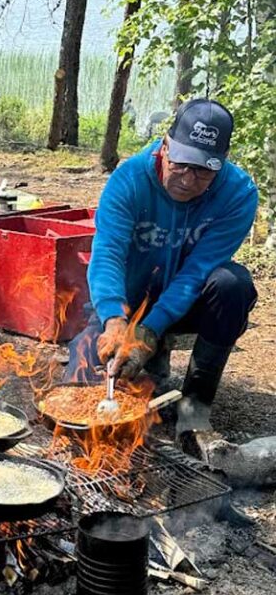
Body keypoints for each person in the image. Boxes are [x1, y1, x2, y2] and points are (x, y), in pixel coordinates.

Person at [66, 98, 258, 436]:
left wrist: (150, 331)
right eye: (181, 163)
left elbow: (196, 273)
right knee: (79, 385)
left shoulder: (238, 194)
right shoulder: (130, 179)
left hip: (190, 299)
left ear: (222, 165)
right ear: (165, 147)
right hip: (128, 299)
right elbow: (108, 252)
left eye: (203, 171)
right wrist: (114, 319)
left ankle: (195, 407)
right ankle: (151, 361)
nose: (187, 178)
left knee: (233, 285)